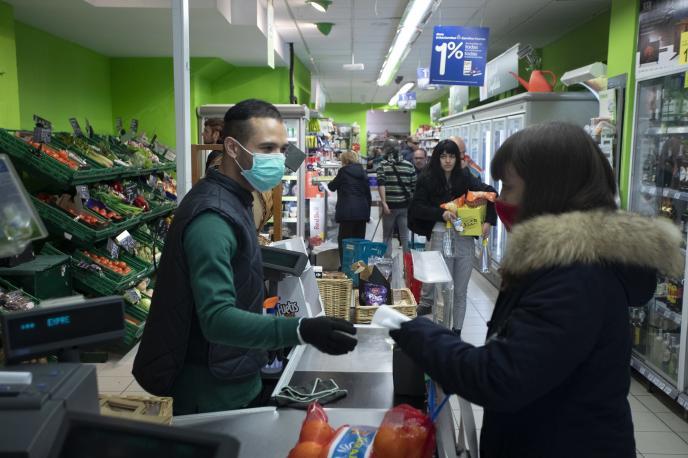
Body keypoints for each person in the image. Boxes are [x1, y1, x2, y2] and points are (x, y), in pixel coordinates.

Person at [392, 122, 683, 457]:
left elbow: (500, 377)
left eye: (510, 186)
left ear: (549, 192)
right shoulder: (559, 260)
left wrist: (413, 330)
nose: (500, 199)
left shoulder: (576, 276)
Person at [133, 99, 357, 415]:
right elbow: (217, 319)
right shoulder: (212, 218)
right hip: (211, 388)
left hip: (236, 369)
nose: (278, 160)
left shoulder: (236, 197)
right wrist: (299, 329)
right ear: (233, 148)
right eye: (267, 149)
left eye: (281, 148)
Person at [408, 139, 495, 333]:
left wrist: (488, 221)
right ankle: (442, 330)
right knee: (443, 289)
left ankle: (457, 332)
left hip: (464, 238)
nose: (448, 161)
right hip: (439, 236)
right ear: (437, 158)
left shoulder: (465, 178)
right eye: (444, 156)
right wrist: (441, 214)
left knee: (461, 291)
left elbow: (489, 193)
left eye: (452, 156)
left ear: (458, 158)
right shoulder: (427, 179)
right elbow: (417, 208)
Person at [328, 151, 372, 269]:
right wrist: (367, 213)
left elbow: (331, 187)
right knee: (359, 241)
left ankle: (346, 268)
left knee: (345, 241)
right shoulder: (363, 172)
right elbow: (368, 195)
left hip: (347, 212)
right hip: (361, 212)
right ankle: (358, 269)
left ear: (345, 161)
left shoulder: (343, 172)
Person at [376, 140, 416, 256]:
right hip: (404, 207)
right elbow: (414, 187)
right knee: (405, 237)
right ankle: (407, 267)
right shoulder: (409, 165)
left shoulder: (382, 165)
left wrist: (384, 203)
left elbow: (381, 183)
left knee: (387, 237)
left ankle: (387, 269)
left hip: (389, 207)